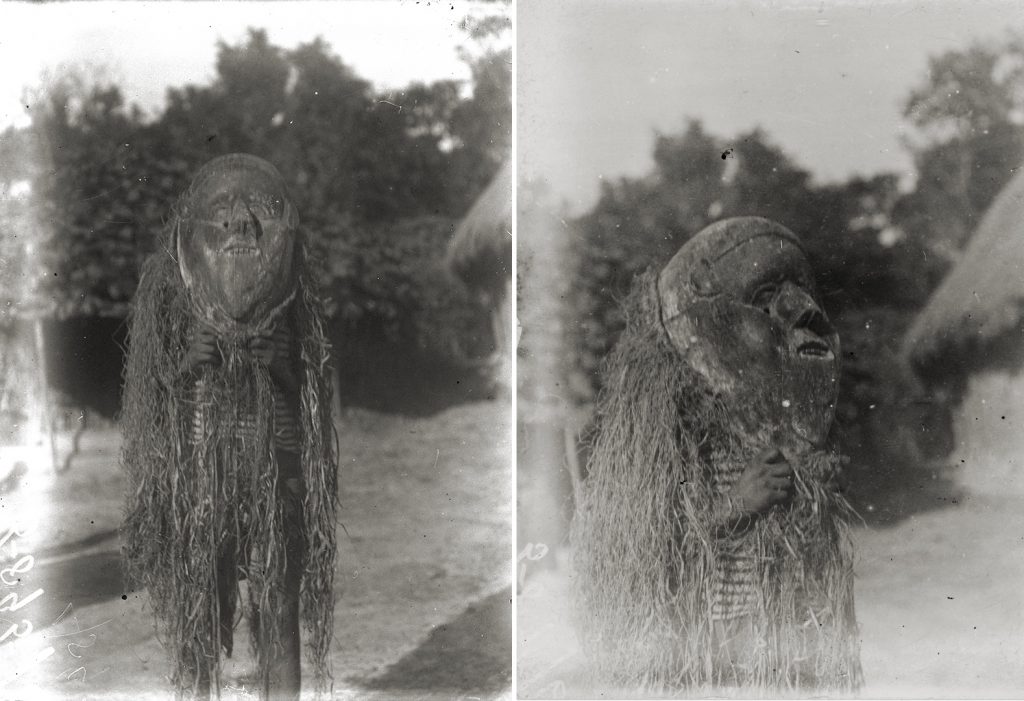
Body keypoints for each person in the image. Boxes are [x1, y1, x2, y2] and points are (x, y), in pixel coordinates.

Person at [571, 216, 861, 693]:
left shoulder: (791, 443)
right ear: (703, 326)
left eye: (806, 293)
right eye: (764, 299)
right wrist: (733, 507)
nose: (805, 311)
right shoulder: (663, 445)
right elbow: (628, 575)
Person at [121, 154, 337, 700]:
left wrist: (283, 366)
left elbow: (312, 397)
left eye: (260, 209)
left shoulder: (294, 311)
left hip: (276, 478)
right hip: (198, 485)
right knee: (197, 603)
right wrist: (187, 366)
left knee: (278, 600)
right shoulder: (172, 308)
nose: (242, 222)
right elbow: (154, 404)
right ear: (190, 234)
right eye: (223, 210)